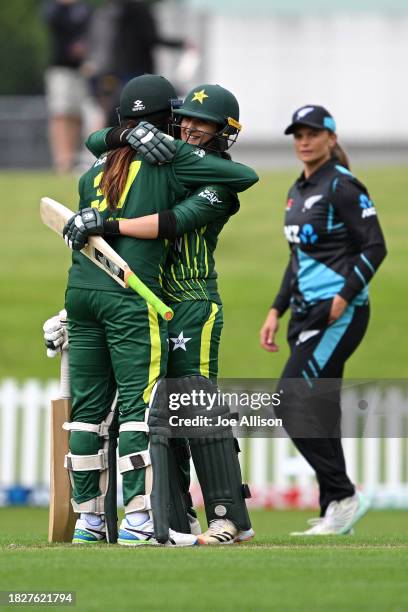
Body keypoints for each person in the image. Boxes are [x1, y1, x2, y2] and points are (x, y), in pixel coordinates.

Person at [47, 75, 258, 546]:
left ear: (223, 133)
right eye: (187, 121)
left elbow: (176, 221)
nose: (191, 131)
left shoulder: (213, 179)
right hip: (143, 297)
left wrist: (109, 218)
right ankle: (171, 517)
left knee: (195, 407)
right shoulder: (151, 161)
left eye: (204, 125)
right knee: (152, 412)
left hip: (191, 300)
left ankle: (228, 517)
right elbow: (97, 144)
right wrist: (123, 134)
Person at [260, 105, 387, 535]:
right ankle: (336, 508)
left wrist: (343, 297)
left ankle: (345, 493)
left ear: (331, 138)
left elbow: (375, 247)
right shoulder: (298, 190)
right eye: (297, 134)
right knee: (316, 409)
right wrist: (277, 309)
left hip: (340, 314)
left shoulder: (343, 186)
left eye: (313, 133)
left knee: (289, 400)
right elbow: (297, 258)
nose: (304, 140)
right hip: (305, 314)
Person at [43, 0, 102, 173]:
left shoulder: (86, 9)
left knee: (76, 115)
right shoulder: (55, 9)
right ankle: (62, 161)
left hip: (83, 69)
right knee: (61, 114)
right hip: (61, 69)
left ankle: (72, 159)